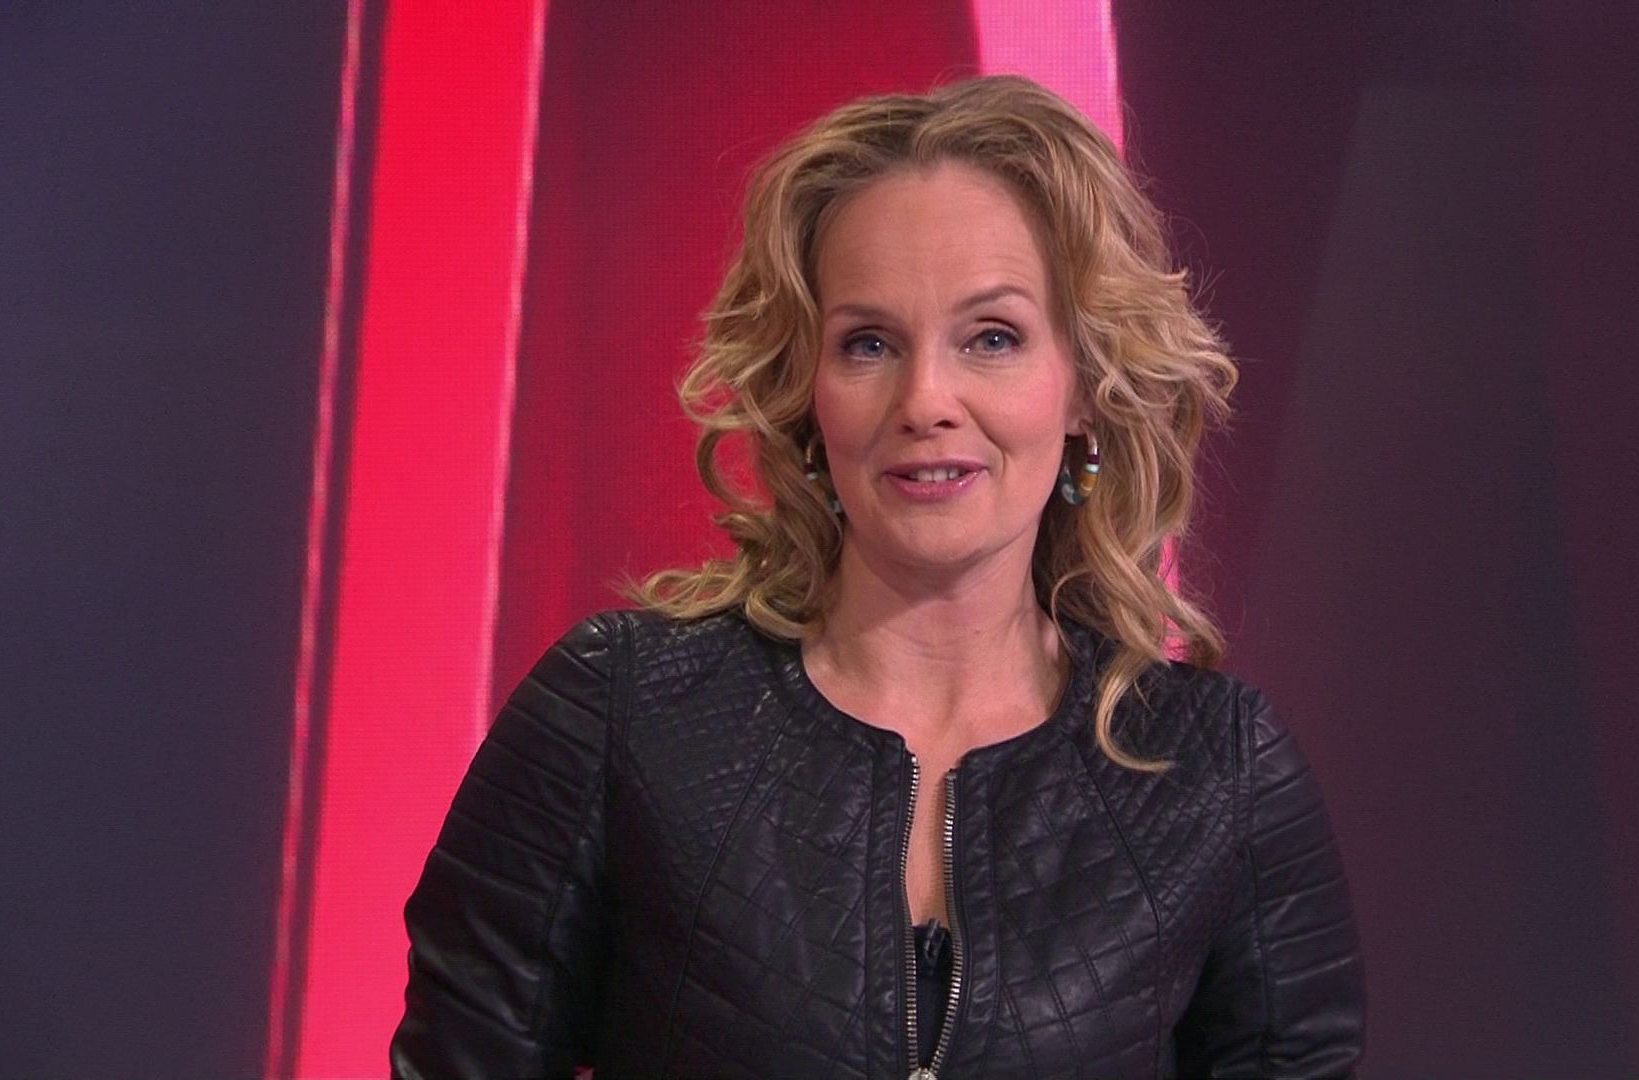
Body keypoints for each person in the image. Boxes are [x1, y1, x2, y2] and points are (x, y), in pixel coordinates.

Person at [391, 74, 1363, 1079]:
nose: (925, 399)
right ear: (806, 391)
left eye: (992, 338)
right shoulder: (622, 715)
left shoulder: (1217, 772)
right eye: (868, 344)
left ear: (1083, 384)